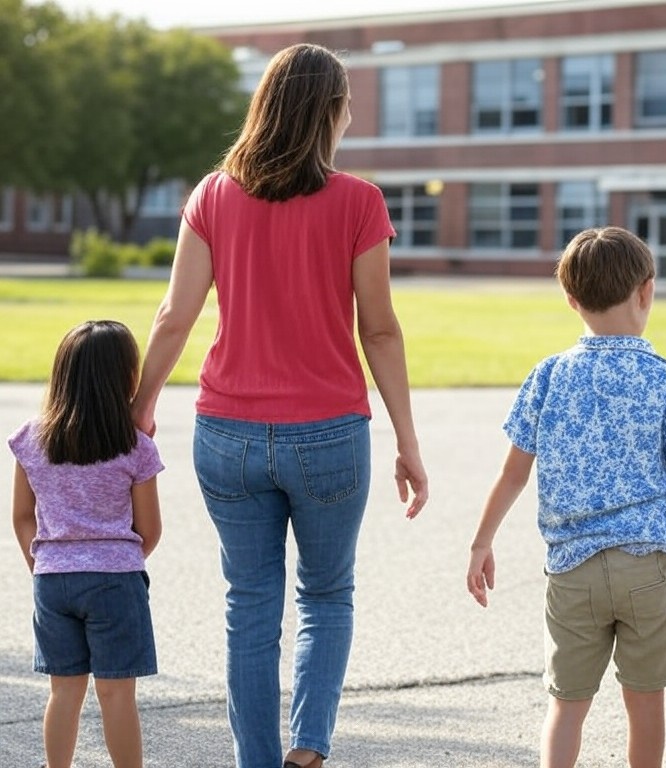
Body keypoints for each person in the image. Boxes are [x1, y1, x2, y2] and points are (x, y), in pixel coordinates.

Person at [130, 43, 429, 768]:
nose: (353, 112)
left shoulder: (212, 195)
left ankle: (258, 760)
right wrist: (407, 441)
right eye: (348, 102)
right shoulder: (359, 201)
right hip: (329, 433)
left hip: (226, 433)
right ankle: (309, 747)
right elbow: (380, 329)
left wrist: (138, 409)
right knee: (327, 596)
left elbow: (175, 314)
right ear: (329, 112)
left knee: (249, 607)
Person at [466, 226, 666, 768]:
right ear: (647, 291)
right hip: (648, 565)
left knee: (567, 705)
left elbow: (513, 473)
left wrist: (481, 543)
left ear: (571, 299)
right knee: (645, 702)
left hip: (572, 569)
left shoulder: (549, 376)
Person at [8, 320, 163, 768]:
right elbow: (149, 529)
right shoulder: (135, 447)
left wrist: (43, 563)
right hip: (115, 581)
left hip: (53, 581)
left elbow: (21, 517)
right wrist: (115, 559)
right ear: (125, 379)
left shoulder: (32, 440)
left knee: (64, 690)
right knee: (116, 693)